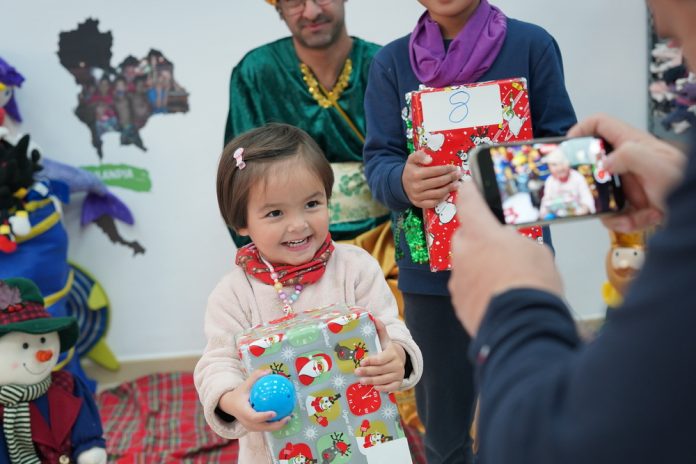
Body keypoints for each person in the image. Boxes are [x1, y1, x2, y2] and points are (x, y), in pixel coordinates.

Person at [448, 1, 695, 461]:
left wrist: (513, 301)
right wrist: (681, 182)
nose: (658, 23)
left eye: (678, 36)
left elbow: (555, 441)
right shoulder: (391, 62)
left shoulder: (531, 42)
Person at [362, 1, 576, 462]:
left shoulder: (532, 45)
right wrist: (403, 180)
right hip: (429, 280)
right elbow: (378, 161)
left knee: (527, 413)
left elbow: (562, 146)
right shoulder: (391, 63)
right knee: (442, 426)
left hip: (516, 270)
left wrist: (509, 172)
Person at [193, 123, 423, 463]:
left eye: (312, 204)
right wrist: (232, 399)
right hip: (275, 447)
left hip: (365, 436)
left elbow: (390, 326)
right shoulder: (233, 293)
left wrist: (398, 356)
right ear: (241, 223)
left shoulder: (355, 267)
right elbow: (217, 363)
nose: (299, 224)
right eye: (275, 213)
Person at [224, 0, 389, 248]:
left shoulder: (384, 64)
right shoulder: (257, 72)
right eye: (295, 2)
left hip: (387, 242)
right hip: (294, 246)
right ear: (279, 9)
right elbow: (241, 183)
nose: (312, 12)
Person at [538, 148, 596, 219]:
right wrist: (544, 214)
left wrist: (584, 209)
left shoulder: (577, 177)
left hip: (578, 217)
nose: (559, 168)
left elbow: (587, 198)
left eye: (561, 164)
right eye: (554, 165)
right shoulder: (550, 181)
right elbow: (546, 202)